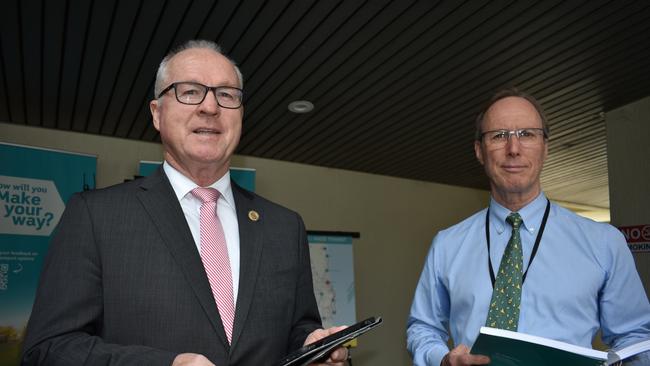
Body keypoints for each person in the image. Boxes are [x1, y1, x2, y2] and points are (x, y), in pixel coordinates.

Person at [21, 40, 348, 366]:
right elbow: (48, 350)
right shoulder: (94, 216)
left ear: (241, 115)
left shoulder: (285, 227)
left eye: (226, 95)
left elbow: (298, 328)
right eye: (189, 92)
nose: (210, 107)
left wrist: (312, 346)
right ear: (157, 114)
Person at [406, 88, 650, 366]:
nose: (513, 149)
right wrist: (442, 360)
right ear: (479, 151)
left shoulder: (605, 242)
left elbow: (635, 338)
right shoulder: (447, 245)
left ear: (545, 147)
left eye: (527, 134)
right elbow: (422, 328)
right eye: (499, 135)